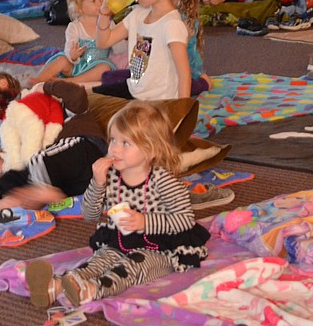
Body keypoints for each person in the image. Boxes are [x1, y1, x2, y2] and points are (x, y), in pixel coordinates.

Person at [23, 101, 210, 308]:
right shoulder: (111, 176)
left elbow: (185, 220)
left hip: (160, 248)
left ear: (151, 150)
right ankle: (56, 285)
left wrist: (145, 222)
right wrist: (97, 183)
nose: (115, 148)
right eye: (113, 140)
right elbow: (90, 215)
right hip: (120, 241)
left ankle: (92, 289)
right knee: (98, 261)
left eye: (126, 143)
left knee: (131, 266)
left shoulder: (162, 180)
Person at [0, 79, 107, 212]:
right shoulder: (36, 130)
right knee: (17, 172)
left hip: (85, 151)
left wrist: (45, 87)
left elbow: (76, 93)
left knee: (38, 159)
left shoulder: (73, 112)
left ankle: (40, 191)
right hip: (73, 181)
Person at [93, 0, 191, 100]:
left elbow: (184, 75)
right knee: (84, 101)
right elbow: (103, 42)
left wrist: (182, 110)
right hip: (134, 91)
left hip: (157, 101)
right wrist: (104, 12)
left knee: (90, 107)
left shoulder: (172, 24)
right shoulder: (137, 14)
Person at [30, 0, 121, 87]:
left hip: (96, 66)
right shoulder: (74, 27)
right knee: (61, 59)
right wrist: (72, 55)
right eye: (93, 1)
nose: (100, 3)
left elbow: (119, 47)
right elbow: (69, 47)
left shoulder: (108, 23)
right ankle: (37, 82)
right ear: (79, 8)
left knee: (105, 67)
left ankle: (72, 81)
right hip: (76, 66)